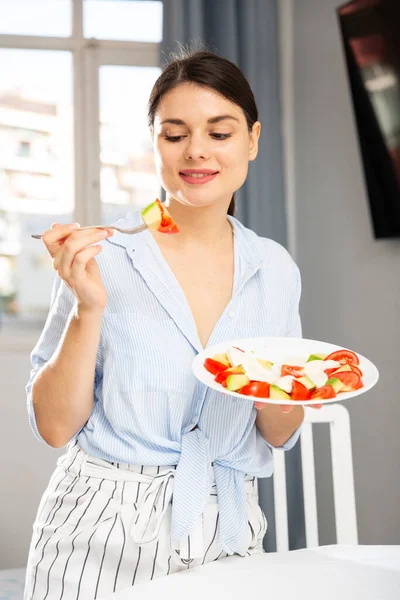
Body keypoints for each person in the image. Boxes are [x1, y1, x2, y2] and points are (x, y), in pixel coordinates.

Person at [24, 49, 316, 600]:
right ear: (154, 143)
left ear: (252, 140)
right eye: (174, 134)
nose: (196, 151)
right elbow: (55, 428)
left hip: (227, 525)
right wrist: (89, 309)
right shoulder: (106, 255)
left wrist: (280, 383)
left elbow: (278, 430)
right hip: (99, 528)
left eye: (220, 133)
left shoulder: (274, 268)